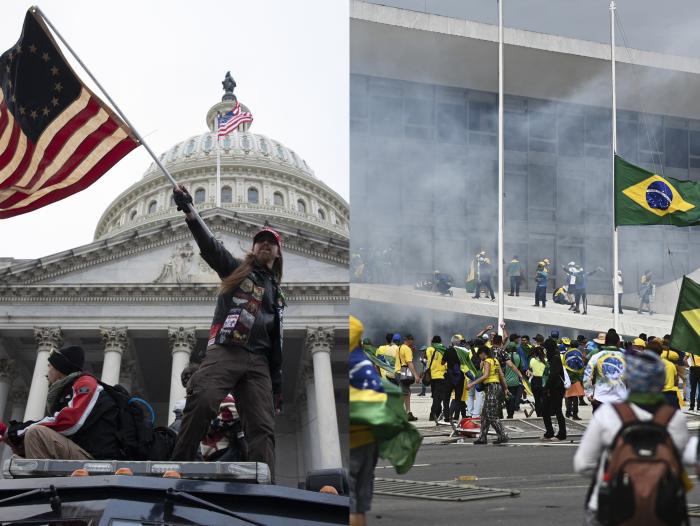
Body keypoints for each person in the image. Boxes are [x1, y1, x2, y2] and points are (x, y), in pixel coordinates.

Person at [170, 186, 284, 479]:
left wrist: (277, 385)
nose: (264, 246)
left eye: (270, 243)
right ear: (253, 248)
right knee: (204, 399)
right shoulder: (237, 271)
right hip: (228, 348)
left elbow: (275, 339)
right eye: (260, 242)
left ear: (278, 252)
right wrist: (190, 213)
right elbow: (211, 249)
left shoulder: (276, 292)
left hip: (258, 361)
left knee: (262, 424)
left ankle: (263, 482)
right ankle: (178, 465)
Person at [573, 350, 689, 526]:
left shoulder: (608, 414)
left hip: (611, 505)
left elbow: (583, 465)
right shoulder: (674, 419)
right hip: (662, 506)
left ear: (629, 379)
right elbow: (679, 464)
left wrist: (614, 473)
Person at [1, 346, 122, 460]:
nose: (46, 373)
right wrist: (19, 439)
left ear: (60, 368)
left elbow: (70, 422)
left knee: (36, 433)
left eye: (49, 366)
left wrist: (14, 432)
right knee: (25, 447)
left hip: (95, 458)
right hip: (82, 451)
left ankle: (39, 481)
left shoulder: (85, 383)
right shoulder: (66, 391)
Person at [467, 345, 509, 444]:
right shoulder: (495, 361)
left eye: (479, 355)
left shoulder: (487, 361)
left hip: (491, 388)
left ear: (483, 353)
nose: (480, 358)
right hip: (497, 387)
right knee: (485, 415)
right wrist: (505, 388)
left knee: (491, 415)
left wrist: (472, 383)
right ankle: (482, 437)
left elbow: (485, 375)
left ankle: (503, 435)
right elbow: (501, 376)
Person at [583, 330, 627, 412]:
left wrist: (589, 393)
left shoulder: (597, 356)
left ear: (605, 342)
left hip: (600, 398)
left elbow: (587, 375)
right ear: (618, 342)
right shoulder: (626, 357)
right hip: (620, 400)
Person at [542, 339, 566, 441]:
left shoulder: (555, 358)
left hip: (556, 388)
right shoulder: (552, 357)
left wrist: (546, 387)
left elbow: (553, 375)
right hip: (552, 387)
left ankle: (562, 434)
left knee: (557, 410)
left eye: (546, 348)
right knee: (545, 410)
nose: (545, 350)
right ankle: (549, 432)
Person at [395, 334, 419, 420]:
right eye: (412, 340)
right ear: (409, 340)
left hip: (398, 372)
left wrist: (411, 351)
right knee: (404, 393)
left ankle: (408, 412)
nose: (413, 342)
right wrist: (416, 375)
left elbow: (402, 358)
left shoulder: (399, 347)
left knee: (407, 393)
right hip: (404, 373)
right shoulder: (407, 349)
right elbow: (409, 363)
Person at [426, 336, 448, 422]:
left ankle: (437, 413)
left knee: (435, 396)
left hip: (432, 376)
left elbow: (428, 361)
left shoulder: (429, 349)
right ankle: (433, 414)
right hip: (441, 375)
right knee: (438, 397)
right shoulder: (443, 349)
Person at [528, 344, 547, 417]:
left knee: (537, 399)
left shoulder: (532, 360)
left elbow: (530, 368)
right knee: (543, 398)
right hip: (543, 381)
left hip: (534, 381)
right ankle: (544, 414)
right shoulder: (546, 361)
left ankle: (538, 414)